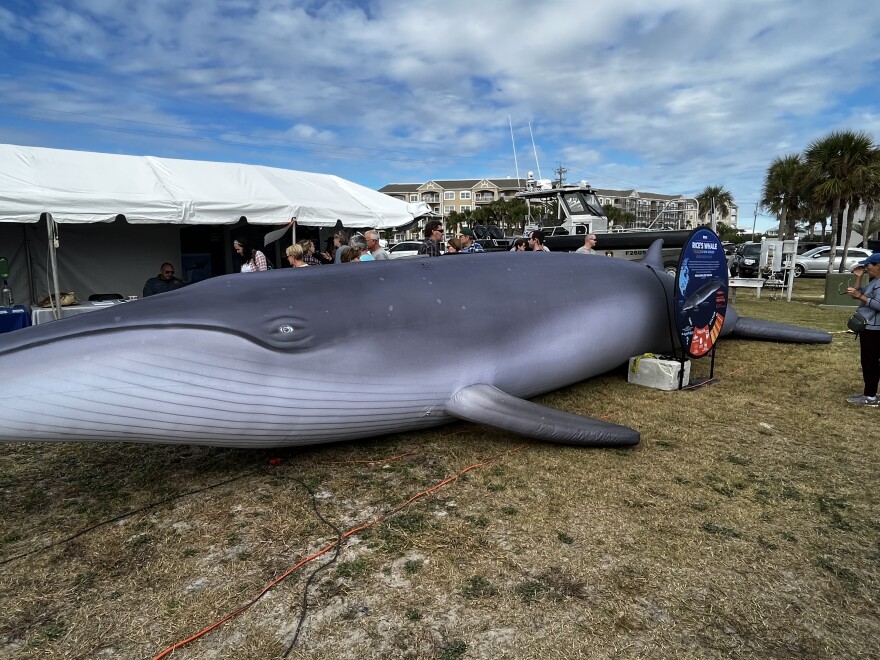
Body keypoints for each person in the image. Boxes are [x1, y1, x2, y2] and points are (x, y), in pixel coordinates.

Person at [845, 253, 880, 406]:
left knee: (870, 362)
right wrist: (859, 276)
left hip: (875, 329)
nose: (865, 268)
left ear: (878, 266)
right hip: (869, 327)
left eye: (867, 265)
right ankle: (870, 393)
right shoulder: (875, 281)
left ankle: (870, 396)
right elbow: (857, 294)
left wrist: (860, 296)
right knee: (870, 362)